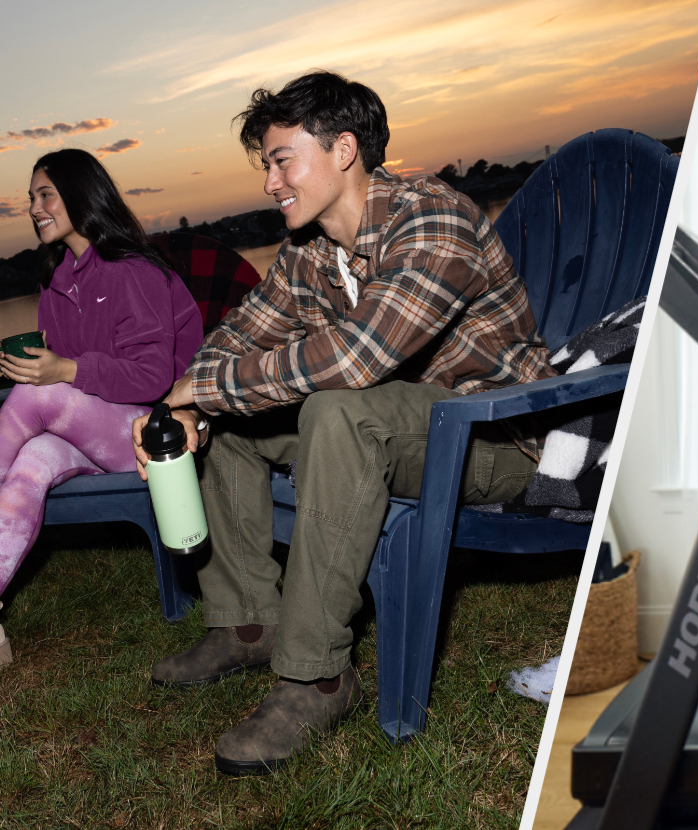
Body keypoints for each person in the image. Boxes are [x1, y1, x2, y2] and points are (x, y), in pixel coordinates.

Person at [133, 71, 555, 774]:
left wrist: (201, 391)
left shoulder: (433, 218)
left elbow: (358, 357)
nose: (269, 183)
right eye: (265, 164)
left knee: (334, 407)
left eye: (280, 159)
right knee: (234, 425)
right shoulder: (309, 254)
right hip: (392, 424)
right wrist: (182, 406)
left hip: (493, 435)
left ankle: (318, 675)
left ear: (344, 150)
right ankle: (246, 623)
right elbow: (243, 333)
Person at [0, 149, 203, 665]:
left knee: (39, 395)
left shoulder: (131, 270)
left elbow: (154, 376)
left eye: (46, 194)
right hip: (88, 434)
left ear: (82, 196)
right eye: (31, 199)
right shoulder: (54, 282)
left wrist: (60, 372)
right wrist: (36, 368)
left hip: (152, 435)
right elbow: (67, 379)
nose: (34, 207)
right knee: (31, 464)